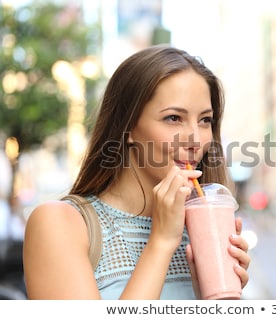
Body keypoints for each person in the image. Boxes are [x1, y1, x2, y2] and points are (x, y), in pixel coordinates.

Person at [23, 44, 251, 299]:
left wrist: (215, 299)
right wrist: (161, 243)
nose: (195, 139)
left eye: (205, 120)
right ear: (128, 126)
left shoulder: (203, 226)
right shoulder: (60, 224)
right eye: (174, 118)